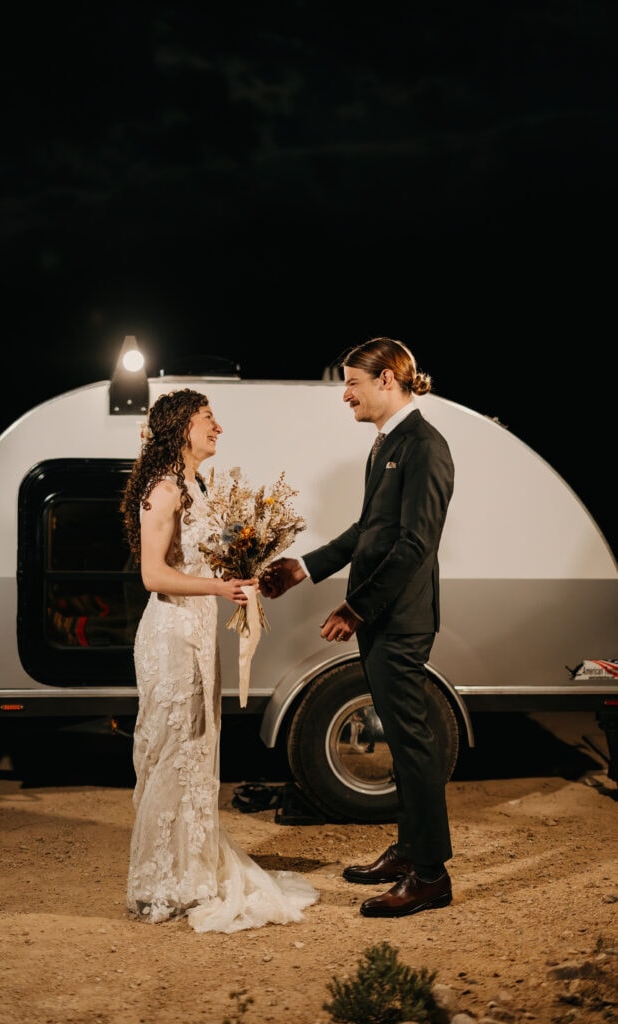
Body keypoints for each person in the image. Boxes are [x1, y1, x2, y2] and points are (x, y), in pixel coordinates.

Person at [259, 336, 455, 919]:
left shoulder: (424, 446)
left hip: (399, 619)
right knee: (399, 740)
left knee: (414, 746)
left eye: (353, 381)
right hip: (382, 617)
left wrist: (357, 608)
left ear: (388, 378)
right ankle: (409, 850)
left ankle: (429, 876)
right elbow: (368, 530)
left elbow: (416, 543)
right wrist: (304, 567)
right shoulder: (385, 446)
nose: (345, 393)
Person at [120, 388, 319, 932]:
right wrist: (218, 586)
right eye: (209, 419)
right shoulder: (163, 489)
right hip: (170, 636)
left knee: (199, 749)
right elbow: (153, 576)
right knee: (172, 750)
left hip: (200, 631)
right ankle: (164, 880)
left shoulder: (198, 484)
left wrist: (243, 569)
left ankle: (194, 870)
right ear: (182, 425)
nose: (219, 428)